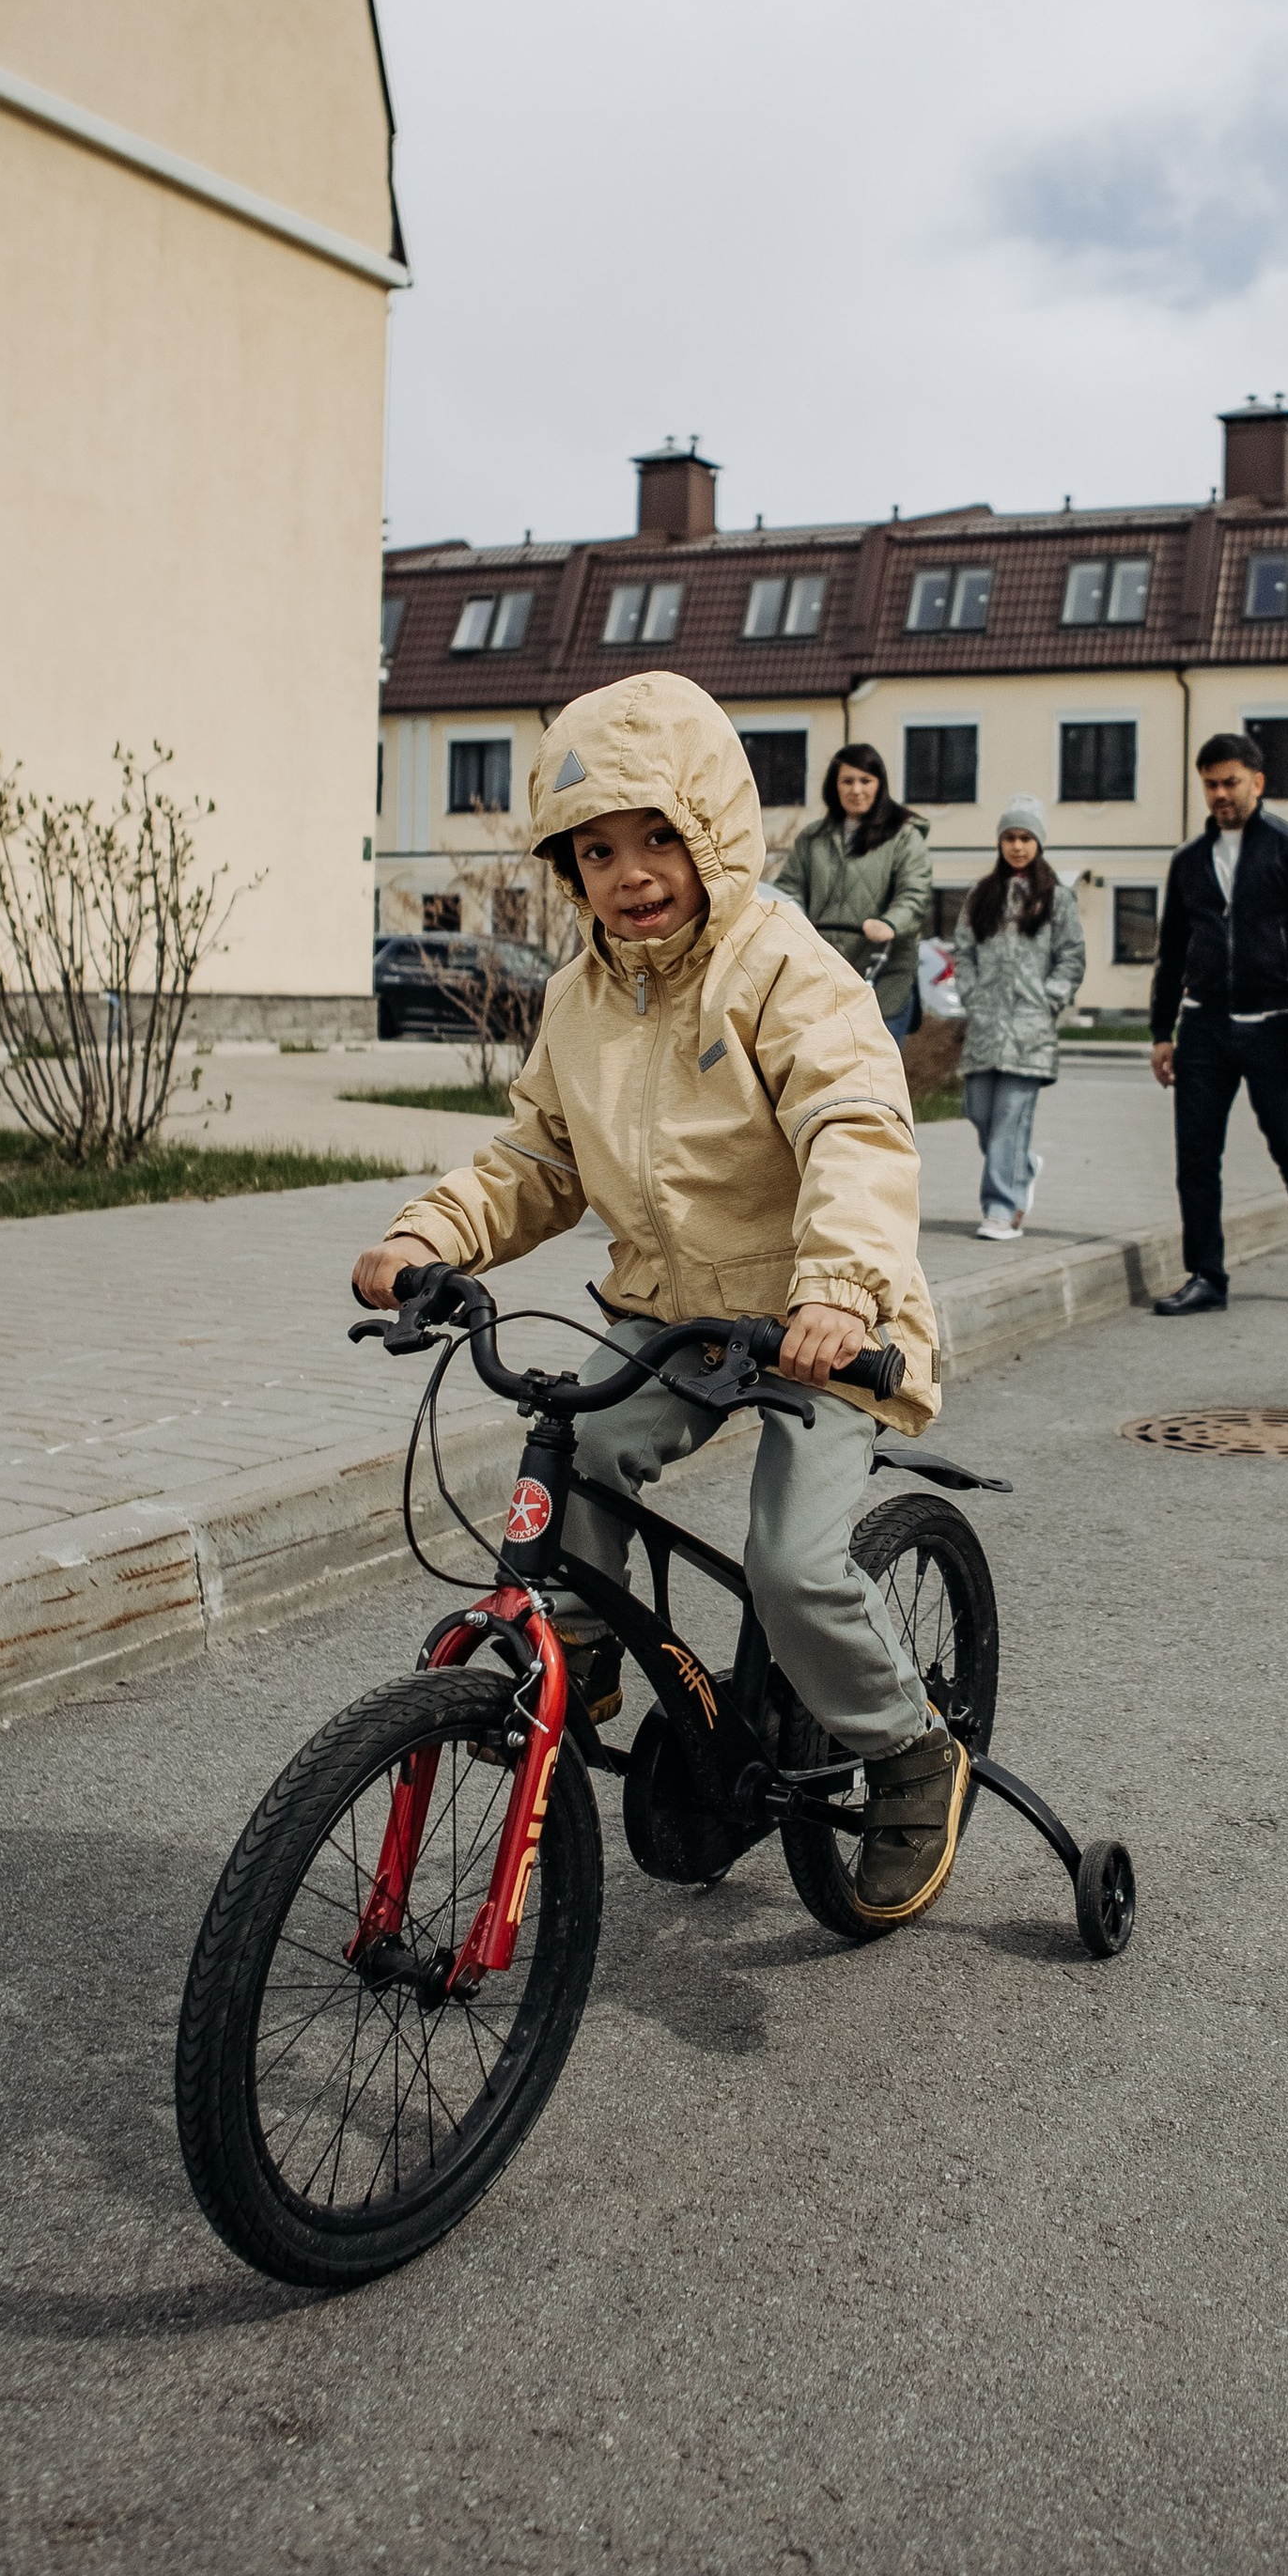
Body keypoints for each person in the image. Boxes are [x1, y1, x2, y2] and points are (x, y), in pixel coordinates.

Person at [350, 674, 970, 1928]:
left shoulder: (781, 966)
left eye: (656, 838)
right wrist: (427, 1236)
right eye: (597, 849)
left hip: (815, 1322)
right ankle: (576, 1646)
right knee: (573, 1437)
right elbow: (537, 1158)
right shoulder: (582, 996)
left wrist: (842, 1291)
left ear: (715, 832)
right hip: (670, 1314)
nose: (630, 872)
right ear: (568, 868)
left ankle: (909, 1754)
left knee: (791, 1567)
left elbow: (856, 1126)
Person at [1147, 731, 1288, 1315]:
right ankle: (1207, 1276)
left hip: (1275, 1025)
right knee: (1196, 1157)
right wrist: (1162, 1032)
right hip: (1204, 1028)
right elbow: (1171, 951)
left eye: (1231, 782)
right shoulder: (1187, 862)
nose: (1220, 794)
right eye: (1210, 783)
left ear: (1258, 782)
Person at [954, 795, 1086, 1241]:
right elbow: (964, 951)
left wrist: (1051, 997)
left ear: (1039, 843)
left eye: (1025, 837)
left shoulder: (1057, 899)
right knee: (979, 1112)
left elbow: (1071, 957)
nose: (1017, 846)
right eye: (1010, 837)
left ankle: (1001, 1208)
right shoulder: (982, 896)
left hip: (1030, 1029)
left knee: (1010, 1117)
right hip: (986, 1026)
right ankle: (1021, 1168)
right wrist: (970, 995)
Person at [768, 744, 932, 1043]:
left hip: (883, 977)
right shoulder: (813, 838)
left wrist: (890, 923)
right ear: (835, 786)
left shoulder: (904, 838)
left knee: (876, 1072)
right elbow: (789, 888)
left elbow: (914, 894)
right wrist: (789, 917)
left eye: (865, 780)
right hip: (824, 975)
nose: (856, 790)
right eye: (847, 781)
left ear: (879, 784)